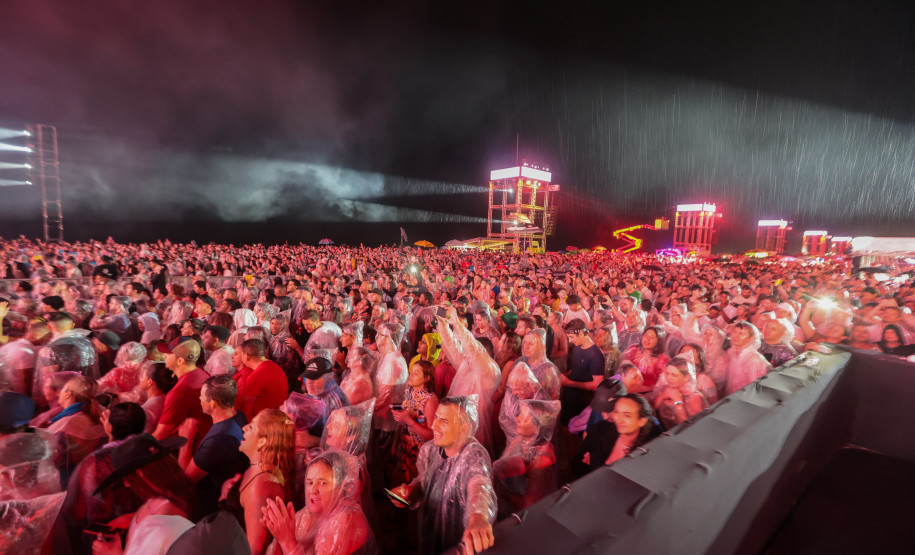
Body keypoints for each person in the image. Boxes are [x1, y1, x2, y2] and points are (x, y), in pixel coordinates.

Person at [390, 396, 497, 555]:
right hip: (428, 533)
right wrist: (409, 491)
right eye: (436, 417)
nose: (434, 426)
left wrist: (479, 516)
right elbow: (423, 482)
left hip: (460, 544)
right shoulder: (429, 450)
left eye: (444, 421)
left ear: (464, 428)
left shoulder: (474, 456)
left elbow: (480, 487)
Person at [262, 450, 376, 555]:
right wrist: (279, 533)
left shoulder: (348, 519)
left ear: (341, 486)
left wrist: (287, 541)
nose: (313, 490)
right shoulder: (305, 516)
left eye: (323, 483)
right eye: (310, 483)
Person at [221, 409, 295, 555]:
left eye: (251, 426)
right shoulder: (257, 469)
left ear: (262, 441)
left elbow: (254, 550)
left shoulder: (261, 487)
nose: (244, 428)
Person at [181, 374, 249, 519]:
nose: (199, 398)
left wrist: (186, 439)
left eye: (202, 396)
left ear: (212, 403)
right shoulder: (240, 416)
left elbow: (185, 481)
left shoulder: (217, 440)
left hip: (210, 507)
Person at [492, 399, 560, 516]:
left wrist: (500, 490)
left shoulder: (542, 459)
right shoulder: (521, 439)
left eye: (522, 417)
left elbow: (529, 504)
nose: (516, 419)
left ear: (537, 427)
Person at [573, 393, 660, 476]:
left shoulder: (648, 450)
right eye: (616, 412)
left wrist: (596, 465)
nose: (619, 420)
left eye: (627, 415)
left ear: (642, 421)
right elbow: (577, 465)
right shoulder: (600, 429)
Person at [392, 359, 438, 484]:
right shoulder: (409, 392)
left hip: (418, 455)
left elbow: (432, 435)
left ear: (427, 378)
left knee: (412, 489)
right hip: (404, 451)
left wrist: (409, 421)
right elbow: (403, 422)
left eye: (416, 373)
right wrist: (395, 442)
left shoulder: (430, 399)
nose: (411, 375)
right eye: (411, 372)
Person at [558, 319, 604, 427]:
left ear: (581, 333)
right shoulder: (577, 348)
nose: (570, 341)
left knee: (575, 429)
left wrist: (569, 383)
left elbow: (597, 384)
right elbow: (576, 369)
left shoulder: (595, 355)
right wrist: (564, 375)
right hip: (570, 396)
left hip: (582, 401)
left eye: (571, 337)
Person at [236, 338, 290, 423]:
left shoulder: (255, 376)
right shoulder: (277, 368)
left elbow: (248, 410)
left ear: (246, 356)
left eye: (241, 355)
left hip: (264, 423)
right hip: (279, 420)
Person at [653, 357, 710, 429]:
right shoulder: (667, 388)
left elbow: (689, 429)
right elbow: (653, 411)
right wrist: (662, 396)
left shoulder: (694, 398)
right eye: (667, 373)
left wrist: (678, 402)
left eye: (674, 375)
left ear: (686, 377)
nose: (669, 378)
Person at [725, 321, 773, 395]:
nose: (736, 336)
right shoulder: (731, 352)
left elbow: (755, 389)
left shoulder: (755, 360)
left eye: (742, 333)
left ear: (752, 338)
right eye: (735, 332)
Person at [622, 326, 670, 391]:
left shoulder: (662, 361)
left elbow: (663, 386)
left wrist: (643, 389)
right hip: (626, 390)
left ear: (659, 340)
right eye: (646, 335)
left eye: (652, 337)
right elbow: (621, 370)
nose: (647, 339)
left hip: (648, 394)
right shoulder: (633, 350)